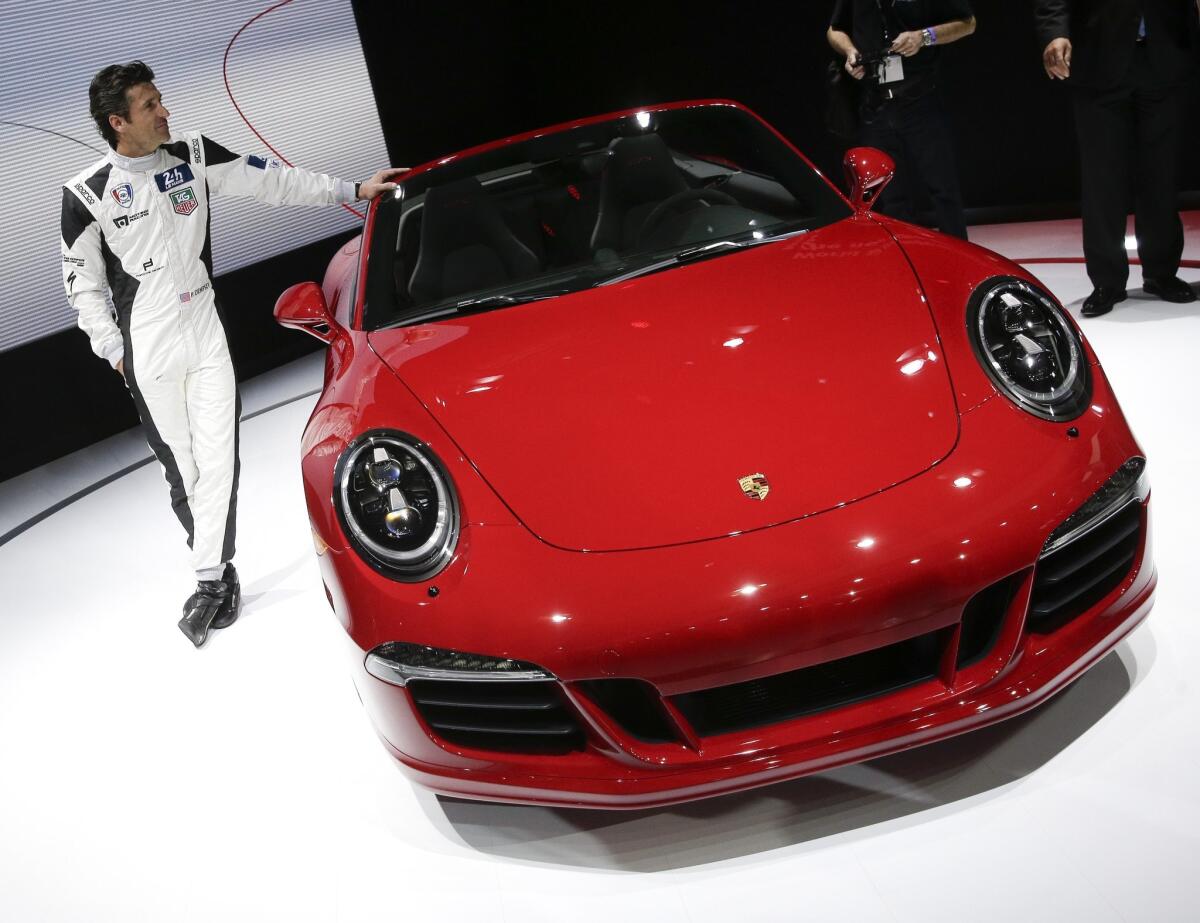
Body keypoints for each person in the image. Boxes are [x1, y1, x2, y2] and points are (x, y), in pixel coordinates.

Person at [59, 61, 404, 647]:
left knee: (221, 458)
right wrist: (115, 351)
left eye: (160, 99)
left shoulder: (192, 155)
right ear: (118, 122)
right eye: (149, 106)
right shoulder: (86, 193)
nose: (164, 110)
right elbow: (81, 282)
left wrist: (352, 190)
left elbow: (273, 181)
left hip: (204, 325)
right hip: (148, 342)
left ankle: (210, 579)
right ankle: (218, 568)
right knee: (184, 469)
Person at [1036, 0, 1199, 317]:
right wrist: (1053, 32)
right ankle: (1107, 281)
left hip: (1166, 54)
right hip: (1099, 55)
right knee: (1102, 178)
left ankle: (1162, 273)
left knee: (1161, 175)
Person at [827, 0, 977, 239]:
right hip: (875, 105)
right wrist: (850, 52)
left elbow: (968, 23)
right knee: (890, 198)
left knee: (943, 192)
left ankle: (959, 262)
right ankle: (907, 263)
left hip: (921, 99)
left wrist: (924, 36)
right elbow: (834, 30)